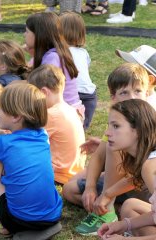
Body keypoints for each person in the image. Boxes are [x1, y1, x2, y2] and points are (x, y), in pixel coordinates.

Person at [62, 63, 151, 236]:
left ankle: (108, 210)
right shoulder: (118, 121)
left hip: (145, 190)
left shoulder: (148, 123)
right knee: (69, 189)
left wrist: (107, 195)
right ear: (113, 97)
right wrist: (90, 188)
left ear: (147, 94)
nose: (131, 97)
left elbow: (140, 176)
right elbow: (97, 156)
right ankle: (110, 209)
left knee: (113, 147)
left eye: (137, 91)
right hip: (124, 185)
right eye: (124, 92)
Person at [0, 83, 63, 237]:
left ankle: (4, 225)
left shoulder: (2, 143)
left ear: (16, 116)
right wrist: (1, 159)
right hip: (53, 215)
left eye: (2, 108)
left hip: (21, 220)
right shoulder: (43, 135)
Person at [98, 99, 156, 239]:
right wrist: (124, 225)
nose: (107, 133)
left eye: (116, 126)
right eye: (109, 126)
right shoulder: (147, 160)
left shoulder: (150, 167)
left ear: (138, 130)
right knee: (130, 205)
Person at [28, 64, 86, 185]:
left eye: (33, 96)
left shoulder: (51, 115)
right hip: (74, 171)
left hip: (58, 175)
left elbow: (28, 141)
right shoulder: (70, 109)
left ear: (43, 92)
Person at [24, 12, 84, 115]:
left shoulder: (52, 58)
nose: (24, 34)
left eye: (27, 31)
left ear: (39, 35)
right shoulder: (56, 52)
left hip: (63, 112)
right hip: (71, 108)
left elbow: (42, 89)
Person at [59, 11, 97, 129]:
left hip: (71, 95)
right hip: (90, 95)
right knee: (81, 129)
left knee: (68, 127)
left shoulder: (59, 53)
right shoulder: (83, 52)